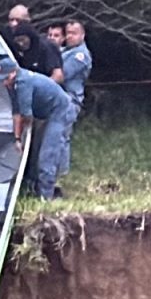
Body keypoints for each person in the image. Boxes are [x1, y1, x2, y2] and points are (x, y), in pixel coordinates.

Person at [0, 57, 77, 200]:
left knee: (48, 153)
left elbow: (27, 116)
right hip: (45, 113)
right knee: (39, 151)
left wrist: (25, 139)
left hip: (60, 110)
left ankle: (47, 197)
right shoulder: (11, 85)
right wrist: (17, 139)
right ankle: (35, 187)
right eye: (1, 79)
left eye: (6, 78)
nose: (4, 82)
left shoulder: (23, 83)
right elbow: (16, 113)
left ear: (14, 73)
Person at [58, 20, 93, 181]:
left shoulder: (80, 55)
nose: (70, 36)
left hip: (69, 101)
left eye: (74, 33)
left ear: (82, 35)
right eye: (68, 33)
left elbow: (62, 75)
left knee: (62, 137)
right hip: (59, 100)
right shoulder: (65, 50)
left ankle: (61, 175)